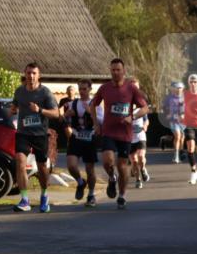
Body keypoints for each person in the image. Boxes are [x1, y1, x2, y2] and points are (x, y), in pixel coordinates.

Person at [89, 58, 149, 209]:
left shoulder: (131, 89)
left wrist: (133, 116)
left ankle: (122, 196)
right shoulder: (104, 88)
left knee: (122, 166)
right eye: (113, 70)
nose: (115, 72)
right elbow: (93, 105)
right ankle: (111, 177)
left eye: (118, 70)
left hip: (125, 134)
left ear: (123, 71)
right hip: (108, 131)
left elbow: (145, 108)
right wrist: (96, 124)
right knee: (108, 161)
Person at [9, 62, 60, 213]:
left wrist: (40, 110)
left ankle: (44, 195)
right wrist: (12, 110)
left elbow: (56, 114)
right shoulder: (19, 92)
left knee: (42, 168)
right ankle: (25, 200)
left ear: (39, 75)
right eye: (28, 73)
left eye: (34, 73)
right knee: (20, 161)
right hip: (23, 133)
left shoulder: (45, 93)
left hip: (40, 134)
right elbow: (15, 106)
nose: (31, 76)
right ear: (25, 74)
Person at [63, 80, 103, 207]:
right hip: (76, 136)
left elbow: (102, 121)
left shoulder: (95, 105)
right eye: (80, 89)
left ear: (90, 89)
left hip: (90, 138)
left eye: (84, 89)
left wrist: (91, 112)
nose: (82, 91)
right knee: (71, 165)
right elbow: (63, 118)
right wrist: (66, 115)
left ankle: (91, 195)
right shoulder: (72, 103)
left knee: (89, 169)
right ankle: (80, 182)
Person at [128, 77, 150, 189]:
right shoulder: (125, 102)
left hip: (140, 134)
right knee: (134, 160)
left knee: (141, 157)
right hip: (129, 137)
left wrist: (145, 125)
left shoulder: (141, 102)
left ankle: (143, 169)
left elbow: (146, 119)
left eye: (136, 87)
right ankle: (138, 179)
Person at [163, 82, 186, 163]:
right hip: (173, 120)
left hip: (184, 121)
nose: (179, 90)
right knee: (178, 136)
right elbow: (165, 107)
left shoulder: (186, 97)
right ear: (173, 89)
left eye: (180, 88)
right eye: (177, 88)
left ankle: (181, 151)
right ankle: (176, 157)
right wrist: (167, 114)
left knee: (182, 137)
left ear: (183, 89)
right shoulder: (169, 98)